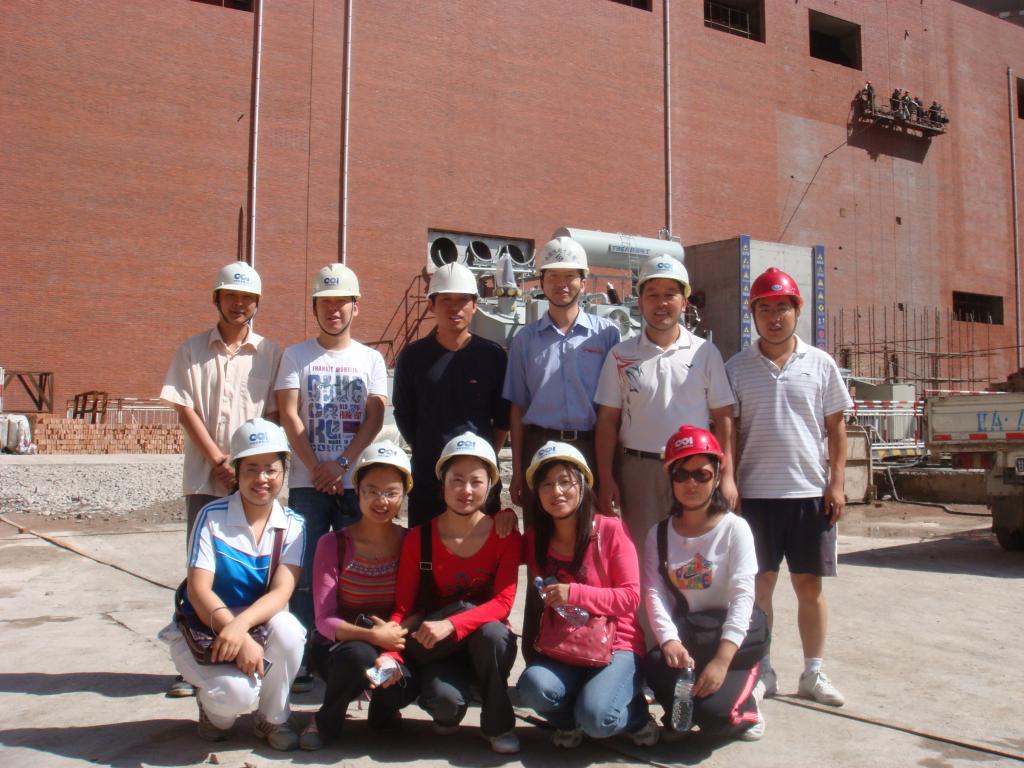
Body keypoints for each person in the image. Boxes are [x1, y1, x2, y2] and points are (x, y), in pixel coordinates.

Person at [725, 267, 853, 707]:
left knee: (808, 586)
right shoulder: (736, 368)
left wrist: (837, 484)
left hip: (808, 495)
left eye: (782, 307)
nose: (774, 317)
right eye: (764, 308)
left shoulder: (821, 364)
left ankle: (813, 672)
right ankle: (763, 669)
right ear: (753, 315)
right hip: (755, 497)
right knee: (759, 586)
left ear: (798, 311)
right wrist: (729, 482)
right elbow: (730, 432)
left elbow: (836, 429)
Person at [160, 261, 281, 697]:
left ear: (257, 303)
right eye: (231, 295)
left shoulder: (271, 354)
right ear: (217, 299)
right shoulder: (192, 350)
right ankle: (193, 658)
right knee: (201, 572)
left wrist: (248, 464)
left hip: (255, 482)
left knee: (253, 570)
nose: (239, 304)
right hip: (205, 479)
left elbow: (274, 415)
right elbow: (184, 408)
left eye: (247, 298)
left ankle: (256, 650)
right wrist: (217, 458)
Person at [275, 263, 387, 691]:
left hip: (356, 485)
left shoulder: (370, 359)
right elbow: (289, 415)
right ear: (314, 307)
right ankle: (304, 655)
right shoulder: (296, 355)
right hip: (308, 485)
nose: (333, 310)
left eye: (342, 302)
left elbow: (374, 417)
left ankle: (352, 654)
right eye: (325, 303)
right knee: (302, 573)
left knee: (357, 572)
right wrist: (318, 468)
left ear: (356, 307)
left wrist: (341, 464)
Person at [162, 418, 306, 750]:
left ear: (284, 472)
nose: (262, 479)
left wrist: (241, 630)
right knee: (234, 697)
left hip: (251, 625)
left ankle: (273, 718)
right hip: (205, 626)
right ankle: (213, 713)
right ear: (236, 472)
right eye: (252, 469)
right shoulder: (212, 517)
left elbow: (282, 591)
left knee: (290, 630)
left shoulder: (293, 525)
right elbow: (199, 590)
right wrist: (234, 631)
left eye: (271, 469)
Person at [382, 432, 522, 754]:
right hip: (437, 648)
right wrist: (391, 652)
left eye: (476, 481)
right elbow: (403, 607)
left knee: (494, 634)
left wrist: (452, 624)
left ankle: (498, 725)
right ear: (442, 483)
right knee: (447, 707)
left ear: (491, 486)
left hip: (484, 644)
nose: (466, 490)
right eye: (456, 480)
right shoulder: (419, 539)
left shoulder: (505, 536)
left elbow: (503, 604)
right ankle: (452, 694)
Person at [516, 442, 659, 749]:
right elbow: (497, 551)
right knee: (531, 688)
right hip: (565, 645)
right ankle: (572, 721)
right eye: (546, 484)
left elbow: (630, 597)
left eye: (565, 481)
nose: (556, 492)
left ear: (582, 485)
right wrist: (502, 519)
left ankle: (636, 717)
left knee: (598, 718)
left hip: (616, 645)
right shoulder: (536, 539)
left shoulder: (610, 530)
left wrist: (574, 593)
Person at [595, 254, 737, 551]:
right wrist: (606, 478)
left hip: (693, 470)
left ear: (684, 302)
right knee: (642, 555)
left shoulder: (705, 353)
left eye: (670, 294)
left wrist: (727, 477)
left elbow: (723, 416)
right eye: (653, 294)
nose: (661, 303)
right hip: (638, 473)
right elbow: (607, 420)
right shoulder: (620, 356)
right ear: (640, 301)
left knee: (693, 558)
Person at [642, 425, 765, 742]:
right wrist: (669, 641)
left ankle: (750, 698)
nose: (691, 483)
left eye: (702, 474)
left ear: (717, 476)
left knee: (715, 717)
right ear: (671, 479)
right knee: (652, 665)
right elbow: (654, 593)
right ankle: (690, 707)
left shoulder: (735, 529)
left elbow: (743, 596)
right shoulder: (658, 533)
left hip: (731, 640)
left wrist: (722, 661)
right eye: (681, 475)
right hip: (691, 634)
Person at [300, 440, 418, 750]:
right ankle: (326, 720)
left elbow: (420, 606)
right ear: (358, 491)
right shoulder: (333, 544)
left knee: (412, 677)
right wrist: (373, 637)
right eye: (371, 491)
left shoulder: (412, 542)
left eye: (391, 492)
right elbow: (324, 619)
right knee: (359, 655)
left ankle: (384, 711)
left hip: (395, 644)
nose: (381, 500)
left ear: (404, 496)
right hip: (342, 651)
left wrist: (392, 638)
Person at [503, 236, 621, 518]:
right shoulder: (525, 340)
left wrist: (609, 474)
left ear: (584, 281)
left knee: (589, 533)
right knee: (540, 535)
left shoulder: (607, 335)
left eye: (570, 276)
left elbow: (615, 409)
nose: (561, 284)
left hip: (591, 448)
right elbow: (518, 408)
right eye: (553, 276)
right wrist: (517, 470)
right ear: (542, 282)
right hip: (538, 448)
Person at [393, 262, 510, 525]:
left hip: (479, 480)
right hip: (428, 479)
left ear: (475, 305)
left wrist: (486, 455)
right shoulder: (413, 357)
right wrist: (426, 448)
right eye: (446, 299)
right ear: (431, 305)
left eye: (462, 300)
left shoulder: (492, 356)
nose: (454, 308)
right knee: (426, 548)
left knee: (481, 547)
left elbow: (503, 418)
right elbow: (404, 413)